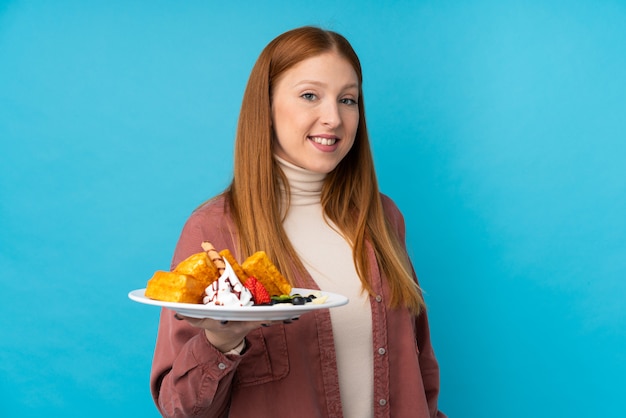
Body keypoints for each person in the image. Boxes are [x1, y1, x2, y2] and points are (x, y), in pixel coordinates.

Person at [150, 26, 446, 418]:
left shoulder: (383, 218)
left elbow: (421, 368)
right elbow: (181, 407)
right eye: (310, 95)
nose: (334, 118)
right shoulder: (214, 231)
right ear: (266, 106)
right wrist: (220, 343)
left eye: (348, 100)